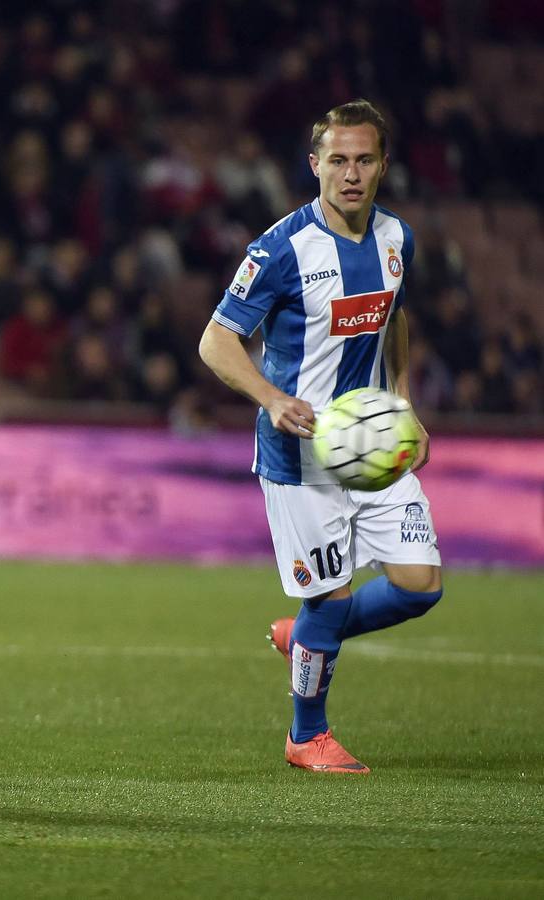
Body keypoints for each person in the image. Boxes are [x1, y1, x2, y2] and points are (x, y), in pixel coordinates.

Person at [198, 100, 444, 773]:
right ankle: (306, 735)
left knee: (419, 586)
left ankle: (309, 635)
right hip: (298, 457)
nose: (350, 173)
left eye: (363, 159)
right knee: (329, 597)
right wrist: (271, 398)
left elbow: (391, 320)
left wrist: (402, 403)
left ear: (383, 165)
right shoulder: (279, 249)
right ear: (314, 166)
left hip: (369, 446)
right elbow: (215, 342)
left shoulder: (398, 239)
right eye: (337, 160)